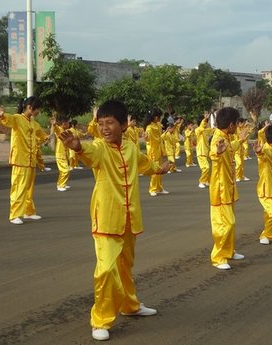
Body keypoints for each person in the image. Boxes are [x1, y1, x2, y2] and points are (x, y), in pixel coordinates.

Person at [58, 100, 170, 341]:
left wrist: (160, 169)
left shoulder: (130, 147)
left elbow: (144, 165)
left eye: (109, 123)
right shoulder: (99, 147)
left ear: (122, 124)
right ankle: (100, 319)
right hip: (107, 218)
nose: (105, 128)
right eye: (101, 124)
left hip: (130, 219)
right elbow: (88, 152)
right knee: (106, 271)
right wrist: (77, 147)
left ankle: (130, 306)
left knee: (125, 268)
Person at [209, 107, 248, 270]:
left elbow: (230, 147)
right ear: (231, 125)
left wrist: (240, 140)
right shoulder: (218, 138)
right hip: (220, 189)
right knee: (225, 223)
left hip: (228, 186)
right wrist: (217, 153)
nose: (237, 127)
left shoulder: (225, 137)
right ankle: (218, 257)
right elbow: (214, 153)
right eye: (237, 124)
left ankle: (229, 251)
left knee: (230, 220)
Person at [0, 97, 43, 225]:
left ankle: (28, 212)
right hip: (20, 160)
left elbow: (40, 134)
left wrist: (52, 133)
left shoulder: (33, 123)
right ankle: (14, 214)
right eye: (37, 109)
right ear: (30, 107)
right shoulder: (17, 118)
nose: (39, 111)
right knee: (19, 187)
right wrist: (2, 115)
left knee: (29, 188)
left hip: (30, 160)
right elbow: (8, 119)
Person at [144, 108, 168, 196]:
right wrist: (146, 137)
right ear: (153, 117)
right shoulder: (149, 127)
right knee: (154, 170)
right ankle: (152, 188)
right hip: (153, 150)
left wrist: (163, 150)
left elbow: (160, 137)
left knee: (160, 170)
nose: (159, 118)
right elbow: (148, 138)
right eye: (157, 116)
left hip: (159, 149)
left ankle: (159, 188)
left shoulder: (158, 124)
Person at [51, 117, 72, 192]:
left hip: (65, 154)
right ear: (64, 123)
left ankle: (62, 183)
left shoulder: (66, 131)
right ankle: (60, 185)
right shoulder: (60, 129)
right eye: (67, 123)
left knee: (65, 170)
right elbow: (56, 129)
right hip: (60, 154)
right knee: (65, 170)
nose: (69, 124)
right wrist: (54, 125)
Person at [195, 112, 213, 188]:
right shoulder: (198, 130)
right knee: (206, 168)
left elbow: (214, 130)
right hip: (201, 152)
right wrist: (205, 119)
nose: (206, 124)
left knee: (209, 168)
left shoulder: (206, 130)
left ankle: (207, 181)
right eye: (205, 122)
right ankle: (201, 181)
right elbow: (202, 125)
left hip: (206, 152)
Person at [234, 118, 250, 182]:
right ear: (239, 123)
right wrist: (245, 129)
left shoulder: (243, 128)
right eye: (243, 123)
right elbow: (240, 135)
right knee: (239, 163)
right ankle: (237, 176)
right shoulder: (236, 129)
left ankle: (242, 176)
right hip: (237, 150)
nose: (244, 124)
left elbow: (246, 135)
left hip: (241, 149)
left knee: (242, 164)